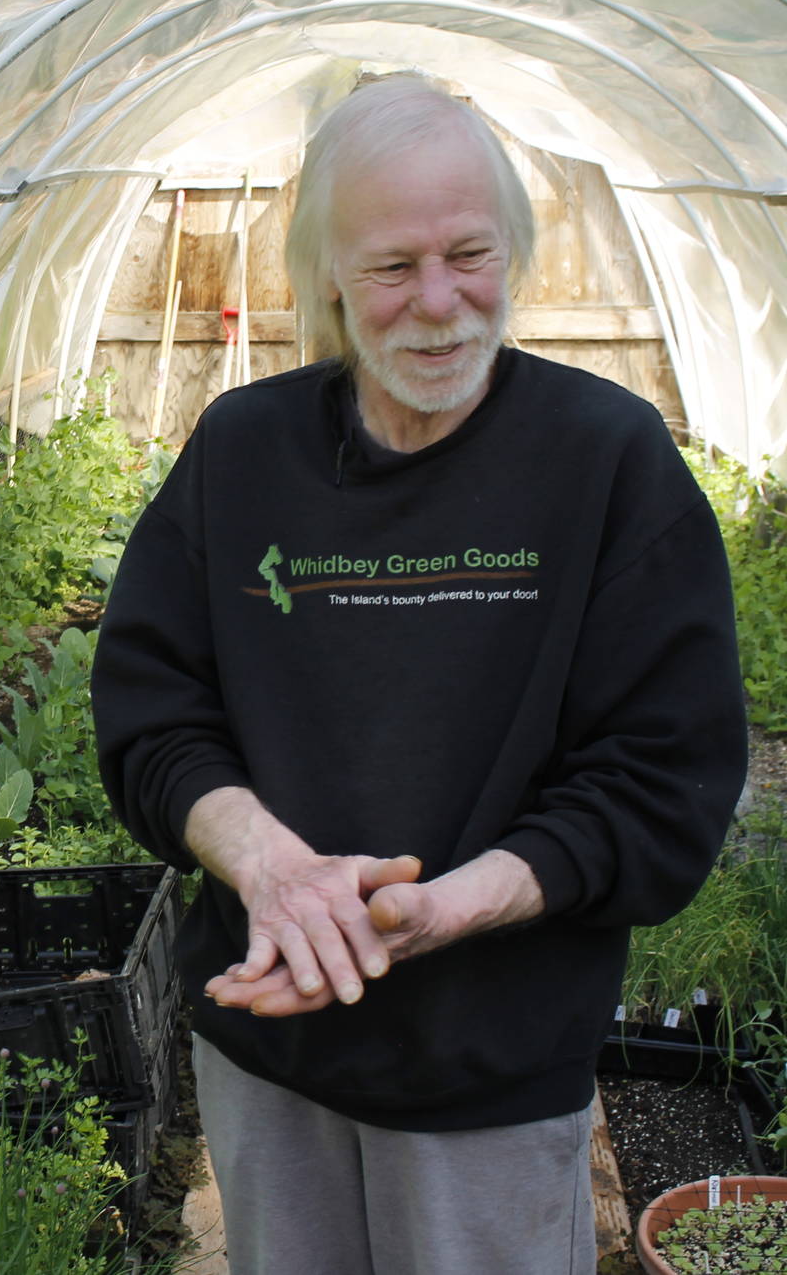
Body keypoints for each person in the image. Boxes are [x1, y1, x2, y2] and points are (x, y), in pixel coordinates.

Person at [91, 74, 749, 1274]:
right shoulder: (242, 455)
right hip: (267, 1051)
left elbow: (661, 782)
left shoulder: (604, 463)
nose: (437, 304)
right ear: (327, 278)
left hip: (488, 1074)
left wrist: (444, 910)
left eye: (468, 254)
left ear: (515, 251)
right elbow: (151, 715)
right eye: (392, 266)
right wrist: (272, 871)